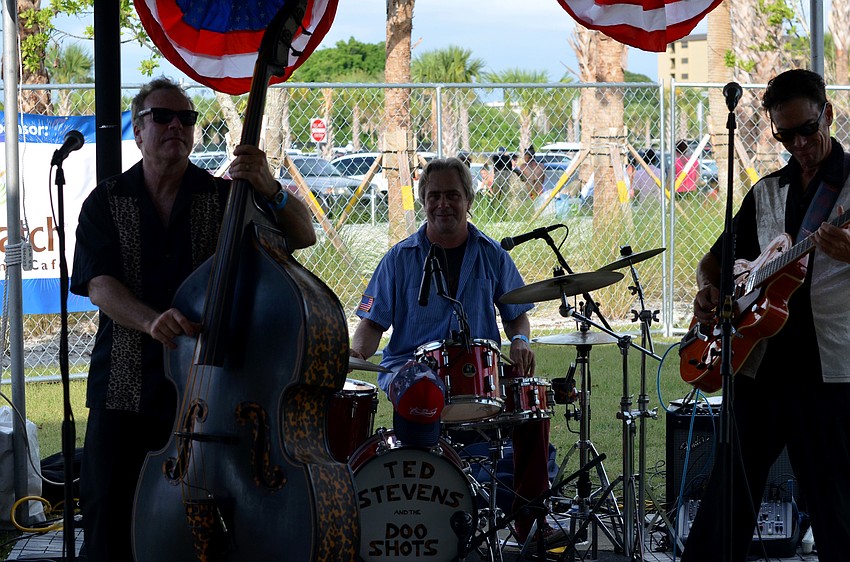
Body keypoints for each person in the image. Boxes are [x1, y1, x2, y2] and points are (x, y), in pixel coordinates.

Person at [70, 77, 316, 561]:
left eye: (186, 118)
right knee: (106, 519)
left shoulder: (225, 198)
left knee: (203, 527)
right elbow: (99, 284)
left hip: (209, 391)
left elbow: (303, 235)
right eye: (162, 117)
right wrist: (149, 320)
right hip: (123, 387)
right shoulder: (106, 200)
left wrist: (268, 184)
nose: (176, 126)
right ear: (138, 132)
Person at [681, 69, 850, 562]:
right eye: (784, 135)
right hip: (759, 364)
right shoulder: (767, 192)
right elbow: (713, 260)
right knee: (726, 500)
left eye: (806, 129)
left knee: (835, 507)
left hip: (829, 373)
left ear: (829, 115)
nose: (798, 143)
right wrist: (707, 288)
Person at [349, 157, 556, 544]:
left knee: (534, 397)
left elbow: (517, 316)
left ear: (469, 200)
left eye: (452, 195)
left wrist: (521, 342)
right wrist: (356, 355)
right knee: (417, 387)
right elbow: (372, 325)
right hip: (411, 370)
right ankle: (417, 516)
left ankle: (529, 518)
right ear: (423, 200)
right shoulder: (399, 258)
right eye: (434, 196)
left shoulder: (493, 254)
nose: (443, 204)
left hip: (478, 370)